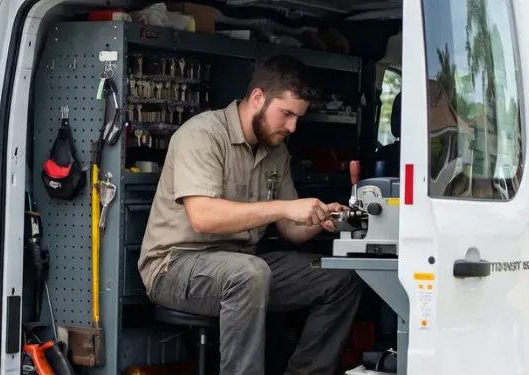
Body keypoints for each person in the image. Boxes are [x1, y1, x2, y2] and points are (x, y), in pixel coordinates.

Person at [137, 54, 362, 375]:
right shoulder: (202, 134)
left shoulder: (276, 150)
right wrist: (285, 207)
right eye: (286, 114)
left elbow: (290, 228)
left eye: (298, 117)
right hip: (175, 267)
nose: (293, 127)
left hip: (244, 264)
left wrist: (322, 218)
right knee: (250, 273)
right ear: (258, 97)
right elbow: (203, 217)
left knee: (342, 277)